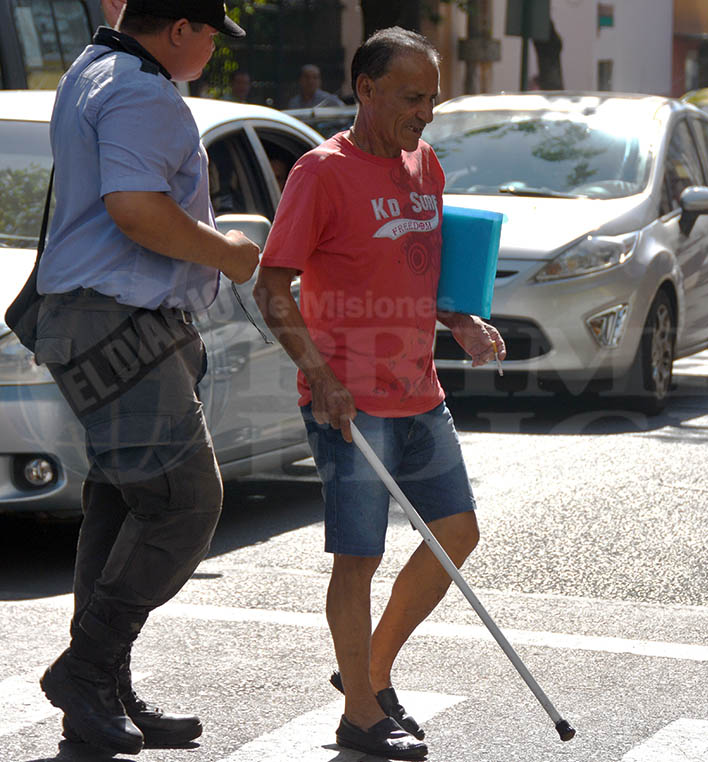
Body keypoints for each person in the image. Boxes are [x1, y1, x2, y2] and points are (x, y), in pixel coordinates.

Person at [253, 27, 505, 761]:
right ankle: (360, 719)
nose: (425, 112)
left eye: (432, 97)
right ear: (366, 90)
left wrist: (460, 321)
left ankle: (370, 674)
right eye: (411, 97)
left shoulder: (425, 165)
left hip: (417, 389)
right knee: (357, 558)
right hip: (348, 402)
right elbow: (272, 288)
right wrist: (322, 379)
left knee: (457, 534)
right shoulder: (319, 173)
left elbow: (419, 275)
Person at [35, 0, 260, 755]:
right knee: (183, 501)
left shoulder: (92, 67)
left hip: (95, 320)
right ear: (180, 30)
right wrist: (226, 252)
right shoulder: (143, 90)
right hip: (119, 323)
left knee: (121, 500)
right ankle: (87, 672)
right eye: (209, 37)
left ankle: (101, 693)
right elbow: (135, 209)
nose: (212, 52)